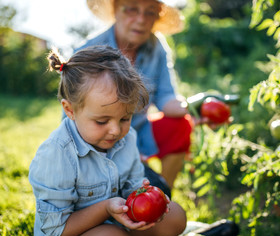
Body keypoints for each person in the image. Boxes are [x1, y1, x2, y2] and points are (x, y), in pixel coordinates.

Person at [29, 45, 186, 236]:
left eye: (125, 118)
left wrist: (144, 197)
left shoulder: (126, 138)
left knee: (175, 216)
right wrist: (106, 209)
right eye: (101, 121)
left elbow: (133, 185)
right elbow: (54, 232)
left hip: (117, 225)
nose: (116, 130)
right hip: (73, 234)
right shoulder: (57, 154)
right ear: (70, 110)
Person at [73, 0, 193, 190]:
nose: (141, 20)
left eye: (150, 12)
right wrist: (121, 151)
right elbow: (75, 123)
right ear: (115, 10)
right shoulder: (89, 52)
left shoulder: (156, 47)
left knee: (180, 124)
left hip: (140, 131)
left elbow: (166, 97)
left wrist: (193, 108)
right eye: (132, 9)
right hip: (98, 139)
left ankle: (162, 200)